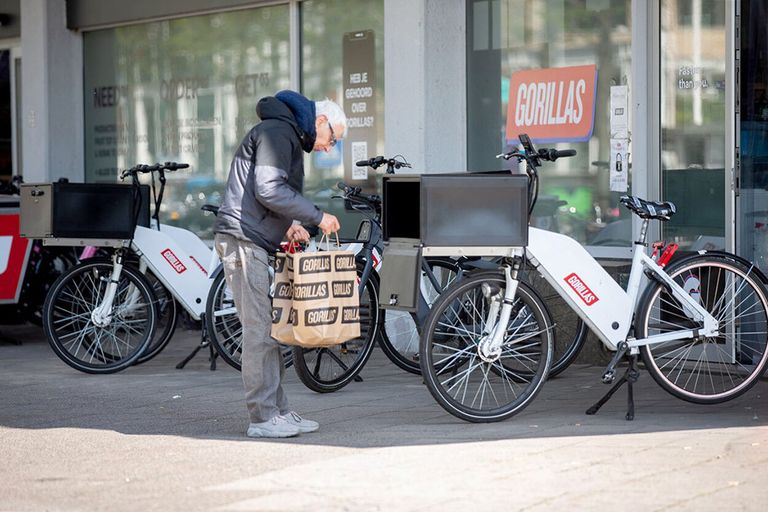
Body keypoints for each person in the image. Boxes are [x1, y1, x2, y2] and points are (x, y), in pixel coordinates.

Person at [213, 90, 346, 438]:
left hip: (250, 236)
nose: (329, 148)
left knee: (269, 332)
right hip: (244, 240)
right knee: (259, 332)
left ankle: (279, 411)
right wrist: (317, 216)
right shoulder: (278, 132)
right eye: (332, 138)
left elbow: (263, 194)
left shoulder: (283, 130)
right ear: (320, 122)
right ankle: (263, 418)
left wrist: (290, 224)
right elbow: (268, 189)